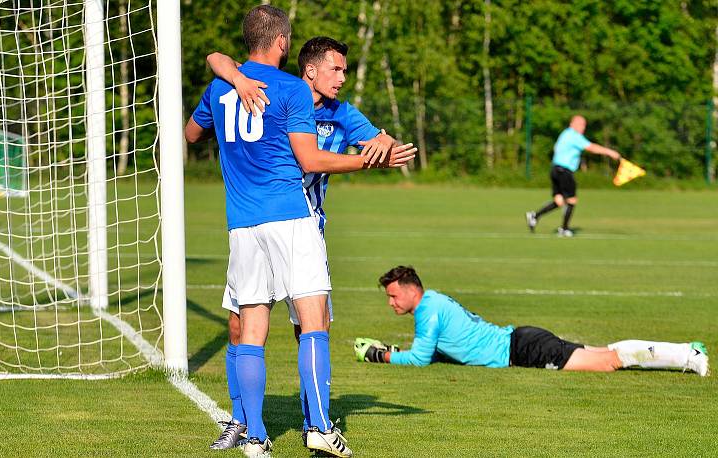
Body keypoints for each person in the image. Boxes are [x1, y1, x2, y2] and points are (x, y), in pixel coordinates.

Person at [185, 7, 412, 457]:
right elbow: (309, 160)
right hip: (290, 216)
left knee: (251, 329)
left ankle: (254, 437)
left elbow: (191, 135)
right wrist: (373, 161)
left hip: (241, 223)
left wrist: (232, 78)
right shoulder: (290, 88)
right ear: (284, 43)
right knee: (312, 323)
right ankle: (320, 430)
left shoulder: (220, 87)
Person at [355, 266, 709, 377]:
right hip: (523, 341)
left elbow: (420, 357)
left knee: (608, 362)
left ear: (411, 290)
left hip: (525, 349)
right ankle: (684, 352)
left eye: (393, 295)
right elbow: (438, 351)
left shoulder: (427, 311)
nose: (391, 302)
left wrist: (379, 355)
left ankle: (686, 355)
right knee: (604, 354)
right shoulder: (433, 300)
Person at [525, 115, 622, 237]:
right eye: (581, 124)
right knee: (571, 200)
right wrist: (610, 152)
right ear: (572, 124)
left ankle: (534, 216)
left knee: (559, 201)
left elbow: (556, 148)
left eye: (584, 125)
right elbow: (591, 147)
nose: (583, 127)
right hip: (564, 171)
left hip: (555, 169)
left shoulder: (565, 134)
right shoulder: (574, 136)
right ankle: (564, 229)